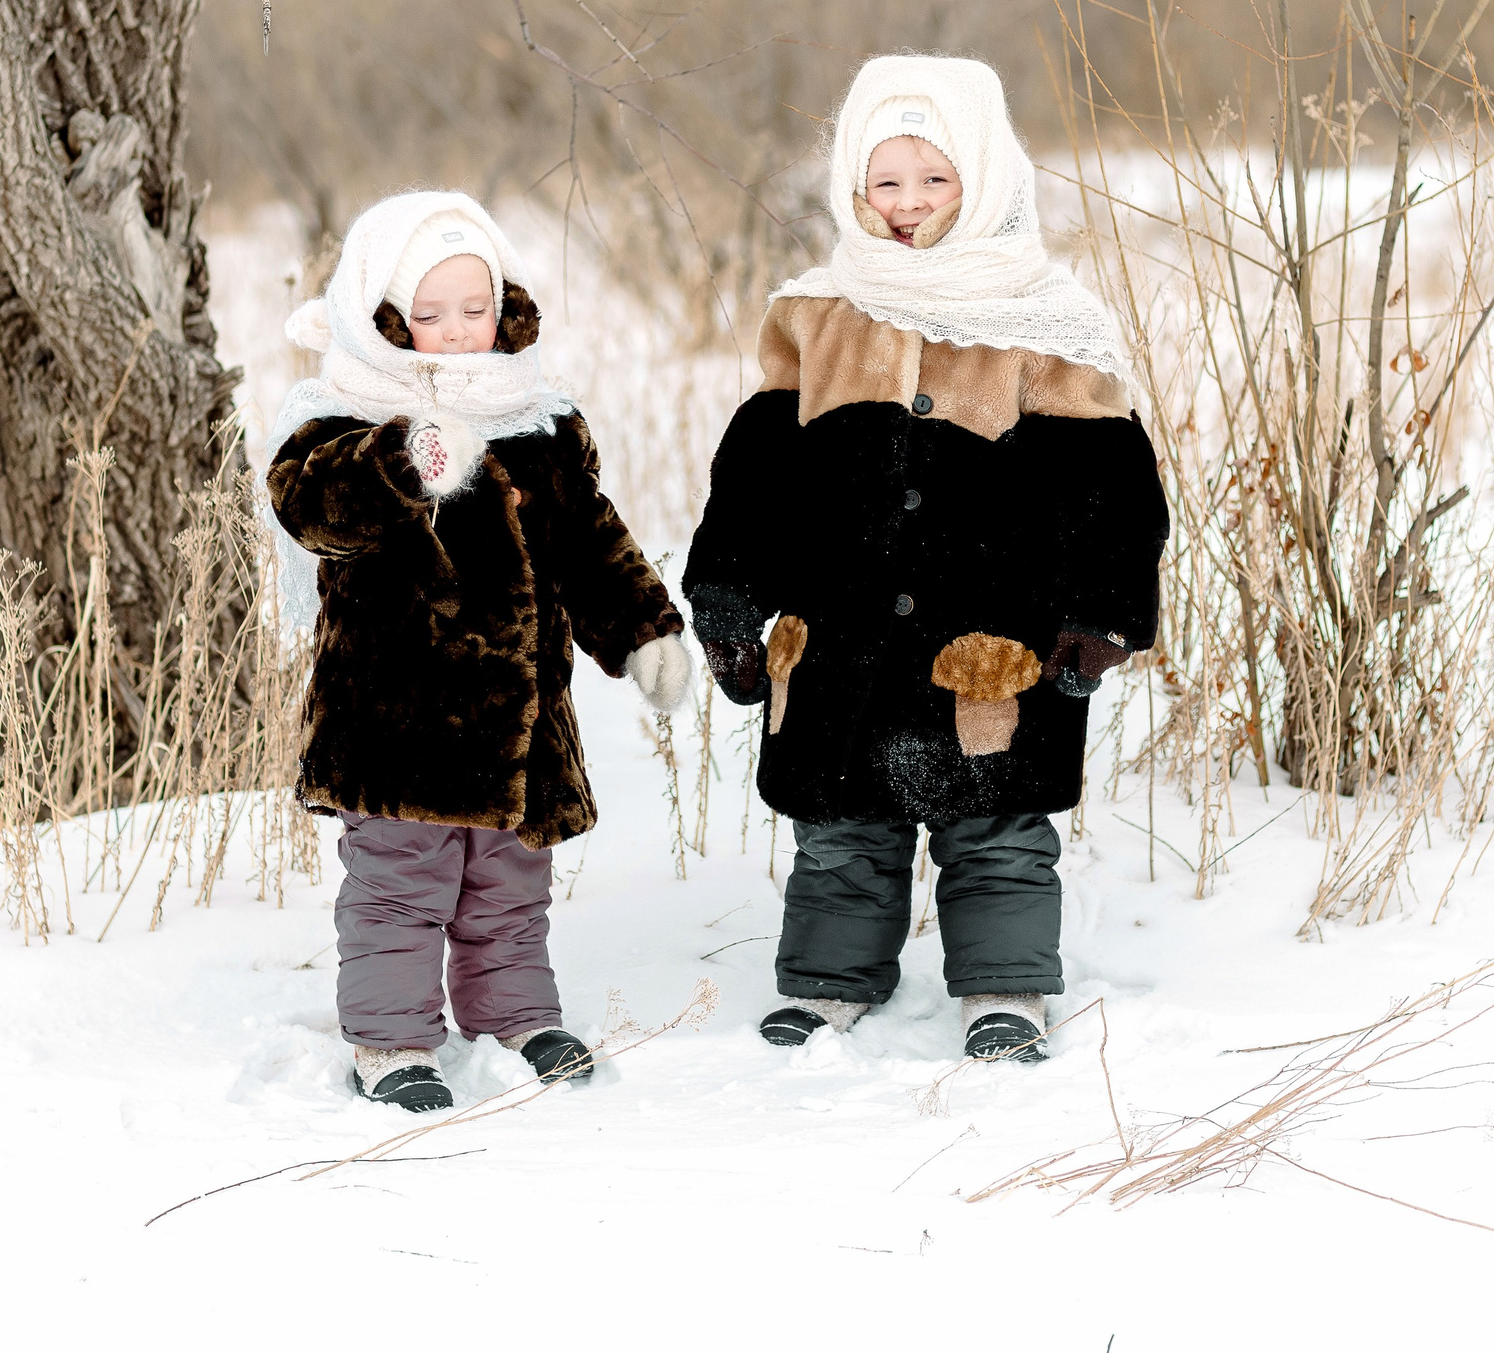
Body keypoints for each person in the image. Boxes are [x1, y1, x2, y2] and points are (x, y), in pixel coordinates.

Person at [684, 56, 1168, 1063]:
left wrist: (1103, 611)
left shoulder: (1047, 321)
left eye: (934, 180)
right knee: (840, 823)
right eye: (885, 182)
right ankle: (827, 985)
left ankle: (1004, 989)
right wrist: (731, 589)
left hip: (992, 632)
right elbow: (757, 474)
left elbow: (1112, 487)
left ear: (985, 177)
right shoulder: (818, 314)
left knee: (995, 824)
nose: (906, 206)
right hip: (840, 629)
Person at [268, 191, 691, 1111]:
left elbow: (592, 545)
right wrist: (402, 459)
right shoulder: (341, 421)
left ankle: (516, 1016)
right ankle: (390, 1040)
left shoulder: (537, 425)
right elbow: (309, 510)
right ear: (383, 318)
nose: (459, 332)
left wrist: (644, 629)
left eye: (478, 309)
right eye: (430, 315)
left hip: (520, 726)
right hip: (397, 727)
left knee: (509, 886)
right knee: (399, 888)